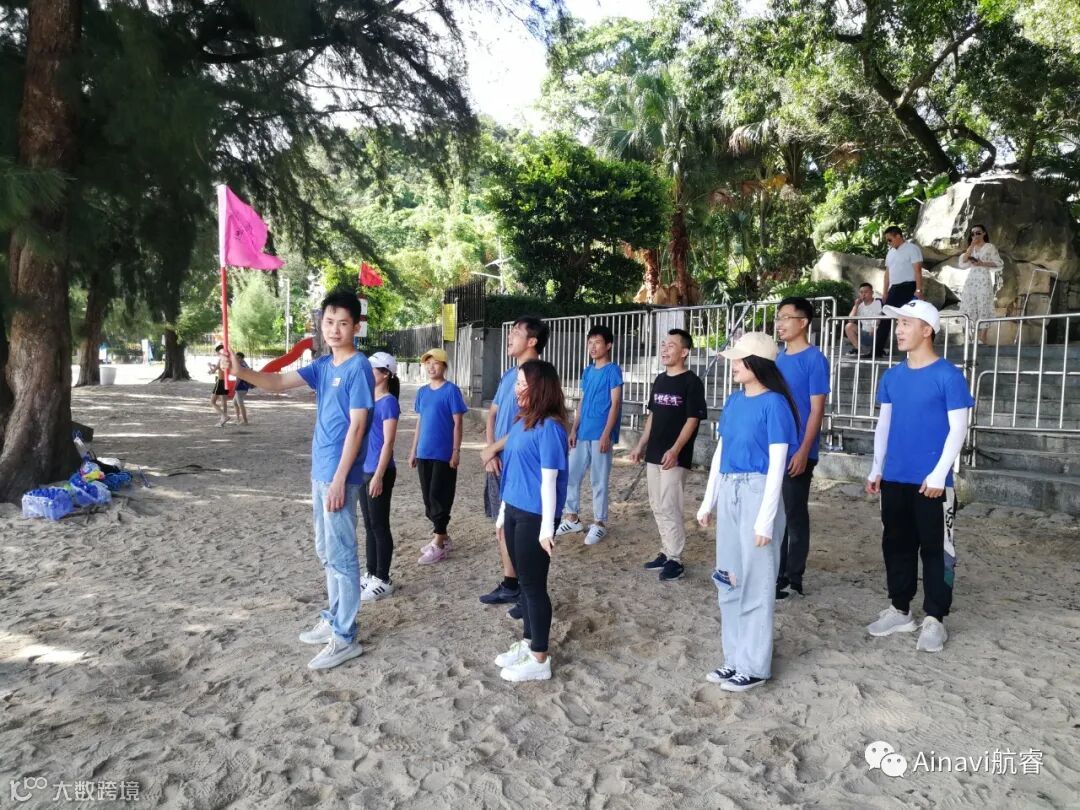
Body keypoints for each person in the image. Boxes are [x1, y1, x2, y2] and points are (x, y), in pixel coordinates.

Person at [227, 289, 375, 670]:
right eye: (330, 322)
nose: (335, 329)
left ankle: (345, 636)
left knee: (342, 555)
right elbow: (278, 383)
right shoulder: (324, 365)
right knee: (326, 551)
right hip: (320, 471)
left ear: (356, 327)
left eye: (344, 323)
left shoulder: (358, 367)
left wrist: (340, 479)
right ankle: (335, 618)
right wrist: (241, 372)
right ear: (321, 324)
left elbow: (358, 426)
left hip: (340, 475)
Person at [865, 299, 973, 653]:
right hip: (895, 477)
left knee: (936, 548)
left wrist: (940, 474)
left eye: (906, 323)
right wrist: (877, 467)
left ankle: (935, 618)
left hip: (933, 483)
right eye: (898, 324)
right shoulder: (892, 376)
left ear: (927, 330)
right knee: (896, 543)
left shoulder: (948, 376)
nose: (898, 330)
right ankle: (900, 609)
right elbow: (884, 425)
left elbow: (958, 429)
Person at [697, 332, 799, 692]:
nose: (734, 365)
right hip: (730, 490)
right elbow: (721, 453)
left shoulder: (775, 405)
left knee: (757, 581)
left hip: (757, 491)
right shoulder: (734, 401)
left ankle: (754, 666)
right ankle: (734, 658)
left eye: (740, 359)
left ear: (758, 364)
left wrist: (765, 520)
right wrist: (708, 501)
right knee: (728, 577)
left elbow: (777, 465)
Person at [486, 360, 568, 683]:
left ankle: (539, 657)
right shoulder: (521, 422)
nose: (517, 389)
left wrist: (547, 528)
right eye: (517, 383)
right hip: (515, 509)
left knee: (534, 587)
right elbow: (513, 472)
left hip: (536, 515)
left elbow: (550, 481)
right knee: (524, 584)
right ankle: (528, 643)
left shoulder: (551, 428)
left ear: (540, 388)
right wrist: (503, 512)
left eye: (523, 384)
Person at [479, 316, 548, 608]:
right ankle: (511, 584)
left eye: (517, 332)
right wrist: (491, 450)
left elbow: (529, 423)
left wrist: (494, 449)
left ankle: (525, 591)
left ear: (532, 341)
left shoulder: (539, 377)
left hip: (521, 465)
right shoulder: (509, 374)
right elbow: (493, 414)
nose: (509, 336)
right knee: (502, 528)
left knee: (520, 533)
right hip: (499, 461)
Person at [628, 329, 708, 582]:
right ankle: (666, 549)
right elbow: (652, 415)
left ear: (684, 352)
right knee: (656, 504)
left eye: (671, 345)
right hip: (654, 452)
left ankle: (675, 558)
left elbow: (692, 419)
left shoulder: (692, 382)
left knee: (670, 504)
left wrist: (675, 449)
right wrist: (641, 444)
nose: (664, 349)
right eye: (663, 344)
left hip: (676, 455)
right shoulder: (660, 380)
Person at [775, 297, 830, 599]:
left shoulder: (814, 359)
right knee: (775, 513)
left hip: (799, 450)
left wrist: (803, 450)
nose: (780, 323)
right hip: (775, 448)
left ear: (803, 322)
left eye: (786, 317)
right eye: (778, 317)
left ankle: (793, 578)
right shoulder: (778, 358)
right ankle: (776, 571)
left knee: (794, 514)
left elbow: (816, 410)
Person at [557, 325, 623, 546]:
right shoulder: (587, 371)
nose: (593, 347)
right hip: (582, 432)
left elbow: (615, 404)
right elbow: (583, 401)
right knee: (570, 474)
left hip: (600, 434)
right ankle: (572, 518)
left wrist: (607, 434)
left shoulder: (613, 371)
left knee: (598, 479)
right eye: (590, 342)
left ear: (608, 345)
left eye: (597, 342)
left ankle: (599, 522)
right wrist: (574, 429)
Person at [409, 348, 468, 565]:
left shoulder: (451, 391)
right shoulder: (422, 392)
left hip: (443, 454)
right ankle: (443, 537)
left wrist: (456, 451)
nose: (431, 367)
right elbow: (420, 422)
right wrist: (413, 450)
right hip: (424, 452)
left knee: (439, 496)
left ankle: (438, 544)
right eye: (428, 363)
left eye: (435, 363)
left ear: (444, 366)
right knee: (428, 500)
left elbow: (458, 424)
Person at [359, 352, 400, 601]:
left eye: (372, 369)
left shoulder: (389, 403)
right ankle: (371, 572)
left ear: (385, 374)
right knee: (368, 525)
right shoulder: (368, 399)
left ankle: (383, 578)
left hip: (379, 470)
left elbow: (388, 442)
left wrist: (379, 475)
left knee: (379, 525)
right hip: (364, 469)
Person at [958, 224, 1004, 344]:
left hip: (984, 279)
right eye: (973, 233)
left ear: (984, 233)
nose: (975, 235)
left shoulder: (990, 247)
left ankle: (983, 337)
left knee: (984, 304)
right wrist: (971, 245)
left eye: (978, 233)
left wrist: (982, 263)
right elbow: (963, 262)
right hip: (971, 279)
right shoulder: (971, 248)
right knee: (970, 304)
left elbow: (999, 263)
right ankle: (971, 336)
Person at [881, 226, 925, 351]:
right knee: (886, 317)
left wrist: (918, 290)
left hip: (909, 286)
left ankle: (921, 347)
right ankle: (877, 350)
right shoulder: (890, 252)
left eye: (890, 240)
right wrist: (885, 292)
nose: (888, 243)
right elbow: (887, 274)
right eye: (887, 240)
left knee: (914, 317)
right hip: (894, 288)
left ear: (898, 236)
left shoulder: (912, 249)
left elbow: (918, 271)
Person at [844, 283, 883, 356]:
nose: (863, 294)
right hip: (864, 334)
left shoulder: (877, 302)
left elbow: (878, 317)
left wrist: (874, 328)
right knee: (849, 326)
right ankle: (859, 350)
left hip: (876, 335)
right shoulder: (860, 306)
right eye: (861, 292)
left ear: (872, 293)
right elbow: (850, 320)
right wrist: (856, 305)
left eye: (866, 292)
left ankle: (873, 349)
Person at [210, 344, 231, 427]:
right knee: (224, 401)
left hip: (220, 381)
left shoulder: (221, 359)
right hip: (226, 381)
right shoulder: (228, 359)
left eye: (217, 352)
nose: (217, 354)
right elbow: (220, 368)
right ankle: (222, 420)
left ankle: (224, 416)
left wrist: (210, 366)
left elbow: (213, 371)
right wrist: (215, 366)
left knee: (212, 402)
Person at [232, 352, 252, 425]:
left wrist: (234, 387)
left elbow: (239, 378)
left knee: (240, 404)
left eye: (237, 358)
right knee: (235, 403)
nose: (236, 359)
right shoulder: (243, 365)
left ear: (241, 358)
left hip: (241, 387)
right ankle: (238, 419)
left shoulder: (240, 366)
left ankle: (245, 421)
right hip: (243, 386)